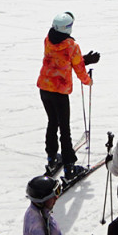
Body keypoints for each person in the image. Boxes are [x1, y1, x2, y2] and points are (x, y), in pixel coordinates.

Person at [37, 11, 99, 176]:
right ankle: (69, 165)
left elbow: (60, 60)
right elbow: (78, 68)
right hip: (59, 92)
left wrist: (83, 59)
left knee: (52, 122)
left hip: (44, 88)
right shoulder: (72, 46)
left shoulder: (48, 39)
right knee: (64, 128)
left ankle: (51, 158)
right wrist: (88, 81)